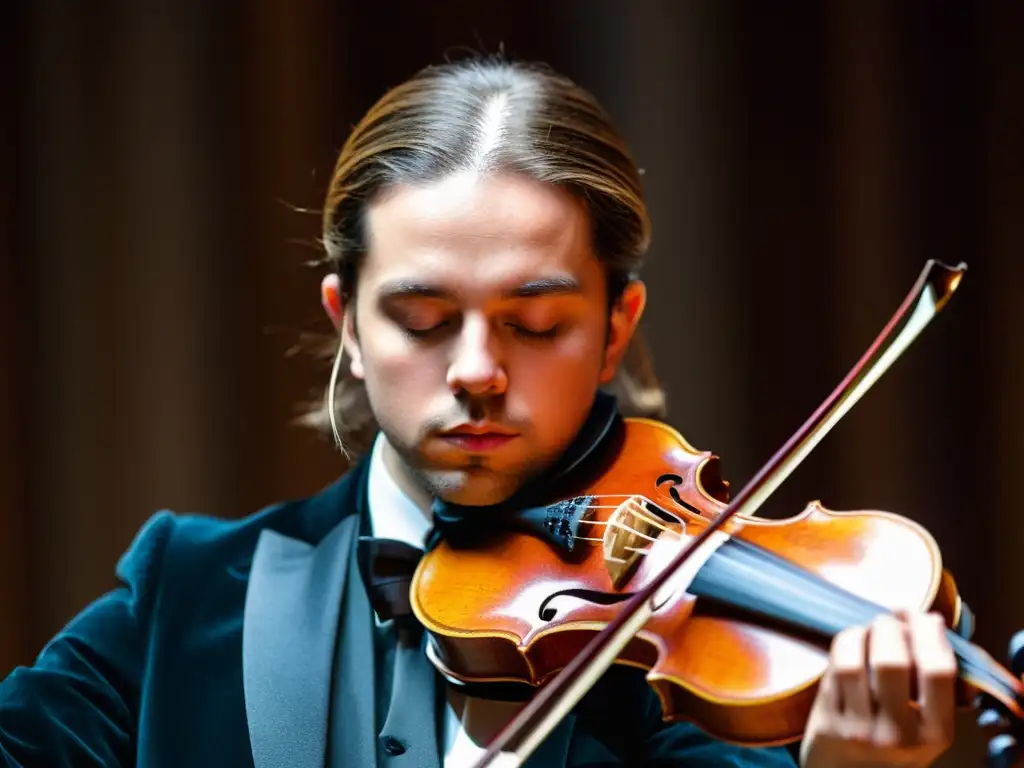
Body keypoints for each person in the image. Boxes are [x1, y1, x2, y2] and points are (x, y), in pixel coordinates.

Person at [0, 55, 961, 768]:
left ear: (616, 326)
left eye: (536, 324)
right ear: (347, 320)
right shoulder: (189, 593)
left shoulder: (690, 680)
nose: (476, 371)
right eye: (421, 319)